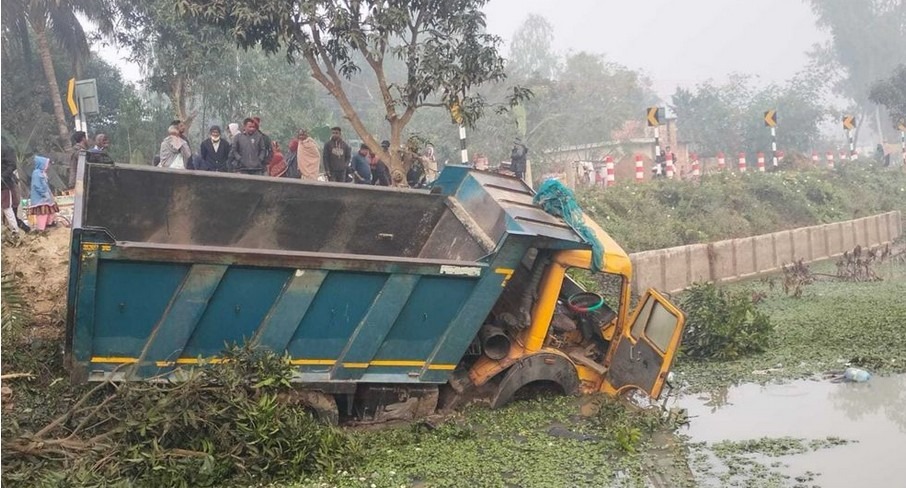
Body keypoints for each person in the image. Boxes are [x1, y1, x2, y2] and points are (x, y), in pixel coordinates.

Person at [1, 144, 29, 233]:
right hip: (7, 186)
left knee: (9, 210)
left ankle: (16, 231)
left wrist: (3, 176)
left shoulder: (5, 149)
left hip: (6, 186)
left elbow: (11, 165)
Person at [28, 155, 59, 232]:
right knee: (42, 213)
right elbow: (37, 185)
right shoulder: (36, 173)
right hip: (40, 198)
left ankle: (49, 224)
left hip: (46, 198)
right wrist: (44, 194)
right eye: (46, 164)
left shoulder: (42, 173)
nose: (47, 166)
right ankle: (41, 228)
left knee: (50, 211)